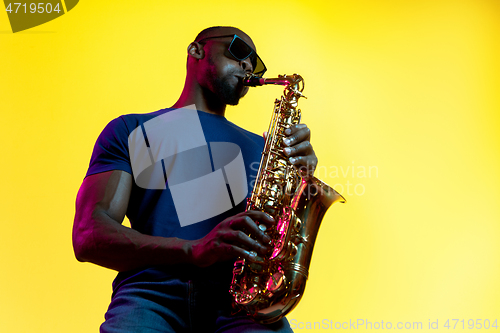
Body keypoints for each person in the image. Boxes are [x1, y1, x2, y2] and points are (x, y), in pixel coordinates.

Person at [73, 26, 318, 333]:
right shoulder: (131, 129)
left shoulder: (263, 149)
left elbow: (277, 244)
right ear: (196, 51)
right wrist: (193, 249)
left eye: (254, 63)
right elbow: (88, 235)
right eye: (239, 51)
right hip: (151, 296)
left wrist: (301, 176)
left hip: (242, 305)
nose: (247, 65)